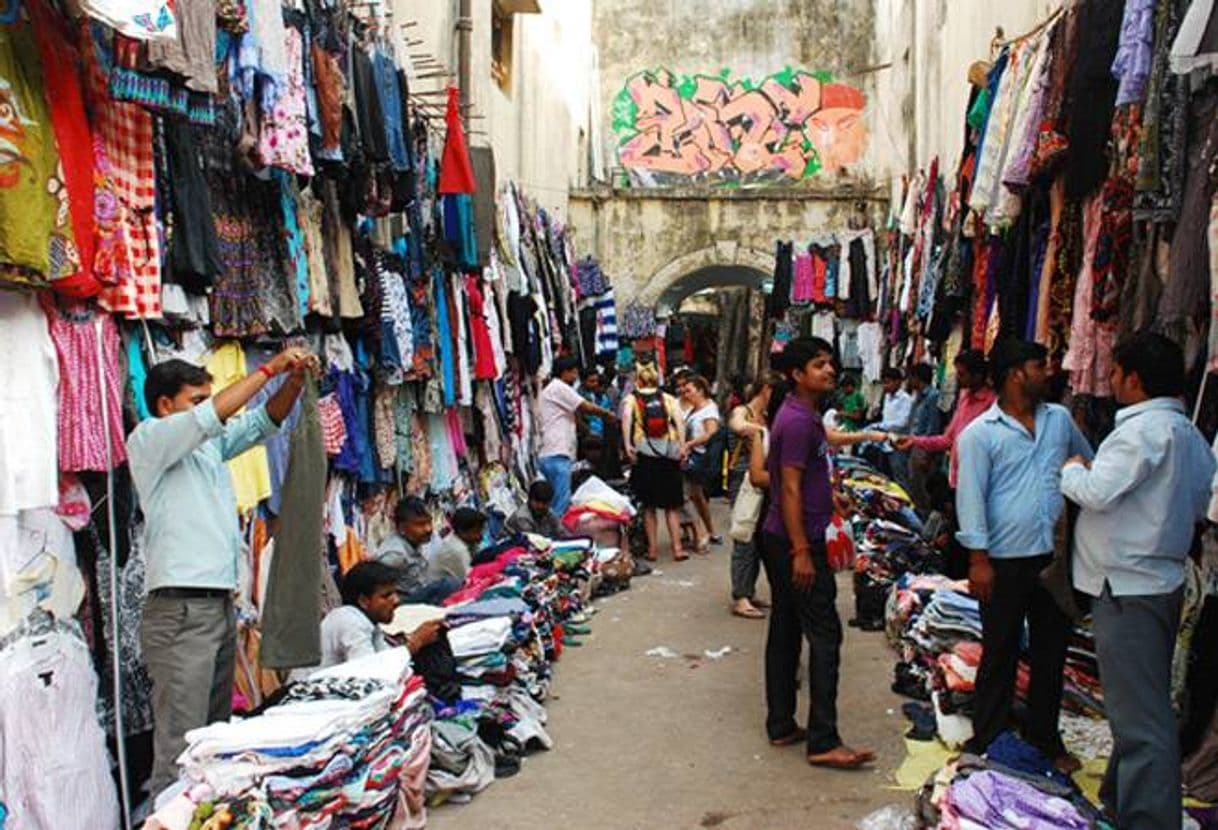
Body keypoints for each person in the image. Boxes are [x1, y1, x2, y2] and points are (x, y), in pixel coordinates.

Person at [130, 346, 318, 798]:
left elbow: (261, 423)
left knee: (214, 738)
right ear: (165, 405)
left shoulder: (208, 450)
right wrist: (270, 367)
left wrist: (291, 383)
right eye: (196, 399)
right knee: (181, 744)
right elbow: (210, 417)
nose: (209, 409)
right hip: (180, 609)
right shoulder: (149, 438)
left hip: (215, 605)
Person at [1060, 333, 1214, 830]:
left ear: (1134, 379)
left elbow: (1097, 492)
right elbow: (1198, 506)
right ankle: (1123, 800)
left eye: (1117, 371)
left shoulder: (1141, 432)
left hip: (1127, 585)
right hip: (1154, 581)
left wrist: (1072, 469)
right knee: (1138, 706)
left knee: (1141, 718)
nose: (1111, 379)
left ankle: (1147, 820)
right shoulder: (1186, 433)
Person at [954, 339, 1093, 768]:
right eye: (1039, 365)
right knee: (1000, 649)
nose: (1047, 371)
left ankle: (1044, 738)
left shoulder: (1060, 421)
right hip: (1003, 559)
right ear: (1017, 373)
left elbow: (1088, 464)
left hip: (1052, 558)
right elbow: (971, 497)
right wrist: (978, 560)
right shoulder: (980, 434)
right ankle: (989, 738)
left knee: (1052, 651)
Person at [760, 337, 874, 769]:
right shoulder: (797, 421)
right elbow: (787, 488)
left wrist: (829, 497)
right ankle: (824, 739)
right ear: (796, 374)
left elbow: (803, 480)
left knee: (787, 627)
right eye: (818, 364)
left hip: (784, 536)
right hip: (794, 540)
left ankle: (782, 723)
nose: (829, 371)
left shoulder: (802, 416)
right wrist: (803, 551)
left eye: (830, 363)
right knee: (825, 635)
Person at [895, 350, 995, 488]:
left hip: (978, 481)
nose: (957, 378)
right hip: (957, 477)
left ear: (977, 376)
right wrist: (913, 441)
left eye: (962, 374)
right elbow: (948, 439)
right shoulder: (964, 398)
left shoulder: (992, 403)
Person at [318, 562, 444, 669]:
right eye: (386, 596)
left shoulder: (369, 622)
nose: (396, 600)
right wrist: (415, 643)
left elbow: (384, 657)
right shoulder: (349, 621)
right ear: (363, 601)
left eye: (395, 593)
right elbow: (369, 671)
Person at [726, 372, 781, 616]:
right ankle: (741, 596)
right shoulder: (742, 412)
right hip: (744, 479)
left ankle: (749, 590)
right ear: (767, 389)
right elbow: (737, 425)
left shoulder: (770, 416)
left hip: (763, 478)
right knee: (744, 535)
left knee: (760, 537)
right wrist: (762, 432)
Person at [623, 362, 689, 562]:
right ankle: (677, 548)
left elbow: (626, 419)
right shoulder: (668, 398)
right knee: (672, 506)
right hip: (668, 455)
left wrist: (627, 445)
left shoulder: (631, 399)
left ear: (638, 379)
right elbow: (679, 422)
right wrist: (683, 446)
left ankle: (652, 550)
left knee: (649, 506)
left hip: (645, 456)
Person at [538, 355, 617, 518]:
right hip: (557, 453)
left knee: (556, 500)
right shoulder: (559, 387)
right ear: (564, 372)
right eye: (573, 373)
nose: (575, 377)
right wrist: (607, 414)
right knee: (561, 502)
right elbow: (584, 406)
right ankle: (558, 538)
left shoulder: (552, 389)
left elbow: (574, 415)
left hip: (552, 452)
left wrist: (588, 431)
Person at [376, 497, 461, 605]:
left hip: (418, 594)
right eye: (420, 524)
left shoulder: (417, 541)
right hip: (403, 606)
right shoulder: (394, 555)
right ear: (402, 527)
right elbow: (376, 590)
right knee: (449, 585)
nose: (428, 529)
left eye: (429, 522)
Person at [681, 374, 723, 553]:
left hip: (698, 457)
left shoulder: (709, 410)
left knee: (689, 496)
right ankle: (709, 531)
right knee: (696, 496)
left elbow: (710, 433)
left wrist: (689, 444)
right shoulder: (691, 409)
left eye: (689, 390)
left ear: (700, 391)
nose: (686, 394)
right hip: (691, 456)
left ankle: (701, 534)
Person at [862, 367, 912, 477]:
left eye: (888, 383)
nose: (885, 386)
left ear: (898, 382)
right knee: (883, 476)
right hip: (885, 443)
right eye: (884, 383)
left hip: (898, 443)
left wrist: (880, 426)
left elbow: (903, 422)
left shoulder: (905, 399)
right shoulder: (887, 397)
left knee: (899, 476)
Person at [904, 364, 941, 507]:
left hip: (924, 449)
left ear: (916, 378)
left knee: (923, 490)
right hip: (914, 446)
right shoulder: (918, 397)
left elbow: (933, 427)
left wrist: (927, 455)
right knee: (915, 487)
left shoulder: (932, 397)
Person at [428, 507, 485, 585]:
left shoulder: (467, 542)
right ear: (462, 531)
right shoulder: (457, 550)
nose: (480, 535)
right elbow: (469, 580)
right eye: (476, 532)